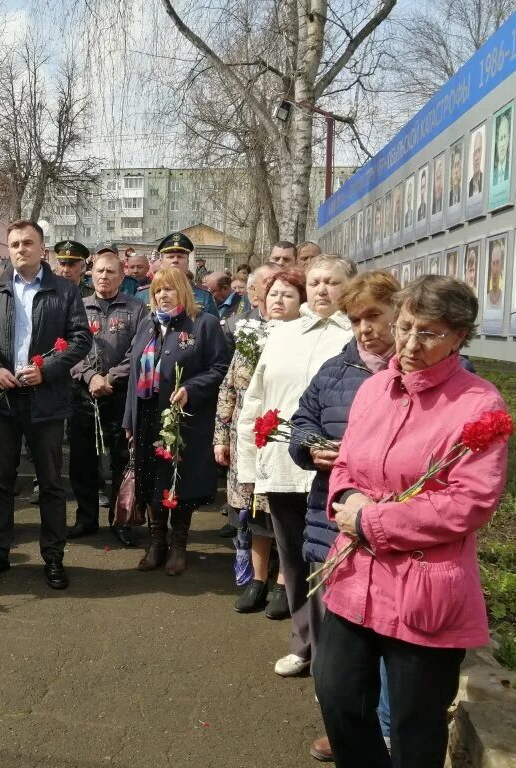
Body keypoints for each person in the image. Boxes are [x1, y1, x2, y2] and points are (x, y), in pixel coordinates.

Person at [315, 276, 509, 768]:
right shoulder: (375, 388)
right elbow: (344, 465)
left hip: (423, 590)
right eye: (403, 327)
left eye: (428, 333)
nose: (408, 343)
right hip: (354, 576)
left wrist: (373, 521)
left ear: (459, 336)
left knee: (413, 727)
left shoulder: (479, 404)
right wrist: (347, 497)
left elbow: (470, 501)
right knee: (337, 697)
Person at [289, 271, 401, 762]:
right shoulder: (337, 370)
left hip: (395, 530)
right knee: (346, 641)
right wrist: (310, 448)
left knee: (391, 639)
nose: (364, 329)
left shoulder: (417, 373)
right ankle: (348, 728)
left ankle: (390, 730)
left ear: (400, 314)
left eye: (374, 316)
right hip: (332, 521)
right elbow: (302, 420)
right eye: (356, 319)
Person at [236, 255, 355, 677]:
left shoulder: (355, 335)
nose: (323, 290)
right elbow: (255, 400)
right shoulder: (283, 333)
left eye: (333, 282)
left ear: (350, 287)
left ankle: (332, 653)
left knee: (330, 559)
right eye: (317, 281)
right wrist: (247, 467)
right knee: (292, 557)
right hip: (282, 464)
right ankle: (303, 641)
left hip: (333, 470)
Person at [0, 219, 91, 590]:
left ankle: (53, 556)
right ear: (8, 248)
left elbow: (81, 339)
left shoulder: (64, 290)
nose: (21, 249)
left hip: (45, 399)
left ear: (42, 249)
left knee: (51, 483)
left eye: (28, 243)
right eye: (15, 243)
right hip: (2, 398)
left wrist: (48, 370)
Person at [123, 268, 230, 574]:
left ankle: (179, 545)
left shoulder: (204, 324)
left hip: (185, 420)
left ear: (184, 290)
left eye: (169, 289)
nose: (163, 295)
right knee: (153, 480)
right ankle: (157, 543)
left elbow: (220, 367)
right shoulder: (147, 326)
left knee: (180, 481)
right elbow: (134, 376)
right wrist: (129, 420)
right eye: (157, 291)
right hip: (147, 418)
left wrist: (190, 388)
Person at [216, 268, 303, 612]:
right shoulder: (252, 335)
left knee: (280, 514)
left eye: (288, 295)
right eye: (273, 294)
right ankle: (257, 580)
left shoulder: (303, 340)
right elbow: (228, 388)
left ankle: (284, 584)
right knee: (252, 515)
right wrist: (221, 437)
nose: (279, 301)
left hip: (282, 440)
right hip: (246, 440)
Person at [67, 251, 147, 546]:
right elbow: (66, 348)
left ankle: (120, 520)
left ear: (122, 276)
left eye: (111, 272)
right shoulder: (76, 307)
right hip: (82, 396)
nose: (104, 276)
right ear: (90, 273)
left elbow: (138, 351)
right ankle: (86, 518)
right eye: (99, 271)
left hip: (120, 396)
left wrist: (110, 378)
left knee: (121, 460)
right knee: (82, 461)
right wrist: (90, 377)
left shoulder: (138, 309)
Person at [137, 232, 218, 316]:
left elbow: (212, 326)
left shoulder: (203, 295)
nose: (175, 260)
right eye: (170, 257)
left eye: (180, 256)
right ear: (161, 262)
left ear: (187, 262)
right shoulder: (143, 294)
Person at [493, 109, 512, 185]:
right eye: (500, 139)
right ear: (497, 143)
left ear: (508, 139)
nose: (502, 144)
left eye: (505, 137)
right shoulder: (492, 176)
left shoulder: (511, 170)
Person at [487, 238, 505, 309]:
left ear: (501, 266)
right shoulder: (485, 299)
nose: (495, 270)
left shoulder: (504, 299)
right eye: (493, 263)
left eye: (497, 263)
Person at [468, 131, 484, 197]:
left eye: (479, 151)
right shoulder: (469, 186)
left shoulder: (485, 180)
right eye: (475, 153)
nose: (476, 158)